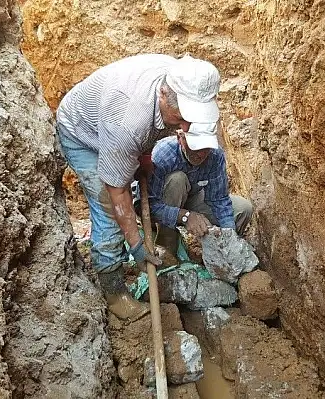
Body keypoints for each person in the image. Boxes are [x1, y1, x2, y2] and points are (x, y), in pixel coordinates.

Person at [55, 54, 221, 321]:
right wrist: (136, 247)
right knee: (108, 210)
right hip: (82, 134)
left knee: (126, 177)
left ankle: (142, 240)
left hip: (117, 130)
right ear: (164, 95)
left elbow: (147, 134)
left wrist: (142, 158)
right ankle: (114, 291)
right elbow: (117, 191)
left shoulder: (185, 78)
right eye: (182, 118)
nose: (186, 127)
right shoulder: (128, 121)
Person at [145, 122, 253, 260]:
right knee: (178, 179)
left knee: (243, 209)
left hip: (192, 197)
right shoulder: (163, 155)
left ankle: (221, 256)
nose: (201, 154)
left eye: (206, 147)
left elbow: (219, 200)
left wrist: (229, 237)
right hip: (164, 203)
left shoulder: (215, 155)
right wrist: (185, 216)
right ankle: (167, 249)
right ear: (180, 138)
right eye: (196, 147)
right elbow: (149, 207)